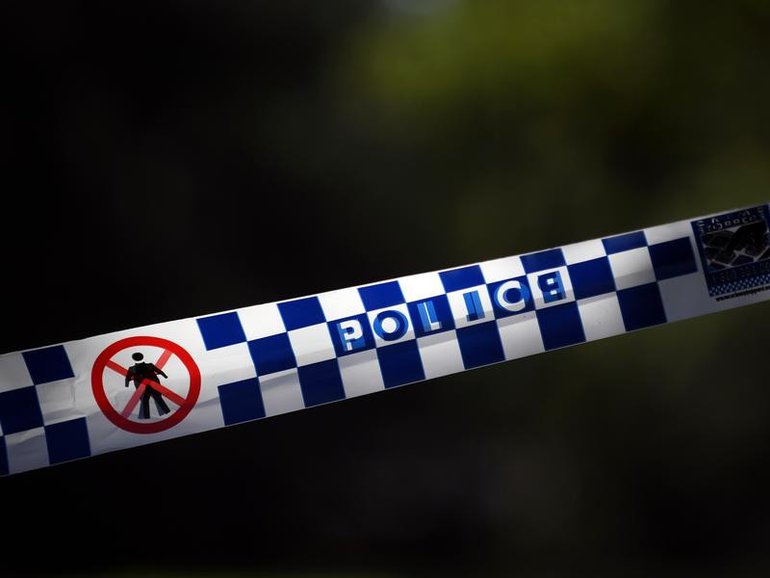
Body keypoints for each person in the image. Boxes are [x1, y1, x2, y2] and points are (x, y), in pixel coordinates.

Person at [124, 352, 171, 419]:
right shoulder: (150, 365)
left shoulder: (132, 368)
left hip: (143, 386)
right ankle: (165, 412)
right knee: (156, 398)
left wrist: (127, 384)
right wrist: (165, 376)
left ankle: (146, 416)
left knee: (146, 400)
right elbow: (159, 371)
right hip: (151, 385)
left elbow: (127, 378)